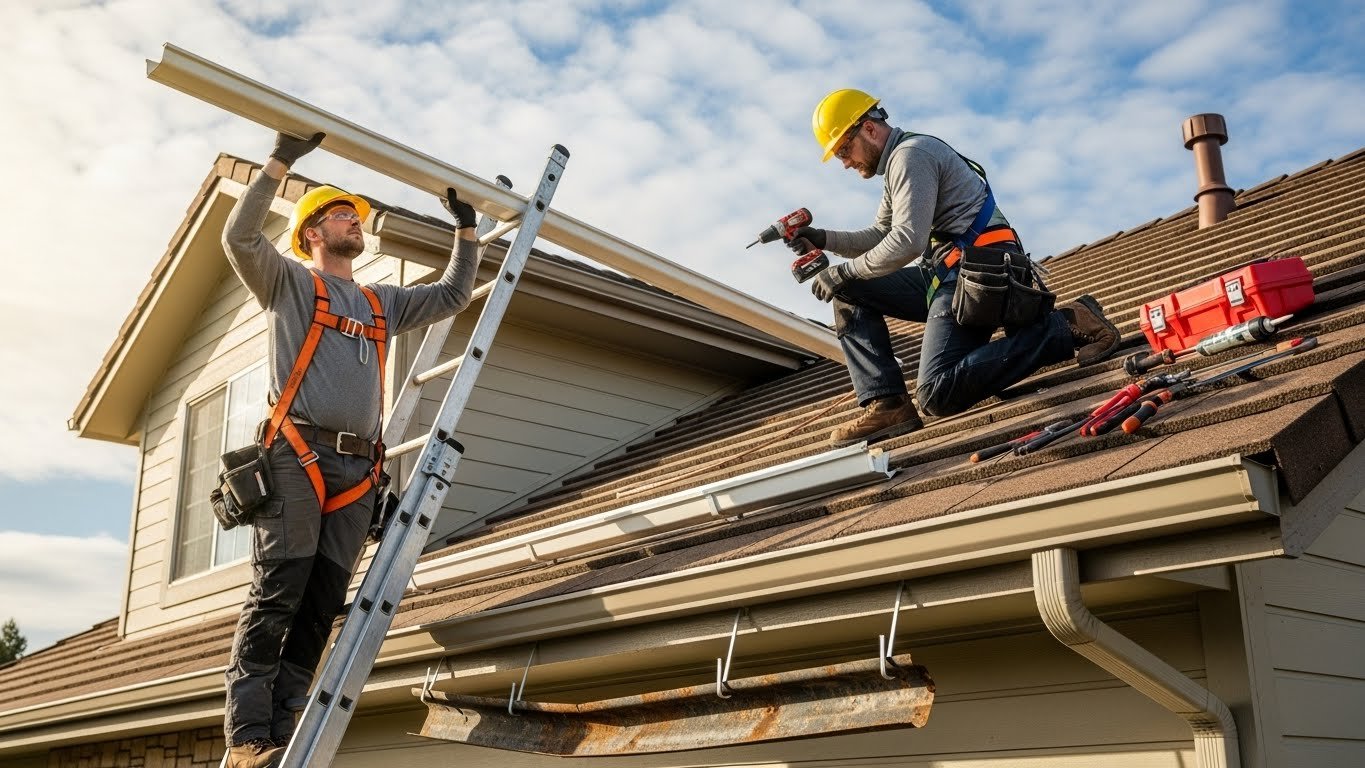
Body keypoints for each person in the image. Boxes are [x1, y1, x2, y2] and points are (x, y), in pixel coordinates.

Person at [219, 131, 482, 767]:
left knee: (321, 604)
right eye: (341, 215)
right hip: (296, 455)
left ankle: (280, 732)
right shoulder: (286, 282)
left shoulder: (378, 303)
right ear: (312, 231)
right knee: (279, 589)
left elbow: (451, 295)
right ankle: (247, 733)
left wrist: (467, 233)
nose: (354, 222)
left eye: (356, 218)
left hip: (359, 468)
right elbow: (238, 239)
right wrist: (280, 163)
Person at [793, 89, 1120, 447]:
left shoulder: (910, 156)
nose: (844, 162)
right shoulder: (898, 165)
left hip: (982, 276)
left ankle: (1066, 325)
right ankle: (888, 404)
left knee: (936, 394)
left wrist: (845, 270)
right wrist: (823, 238)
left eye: (843, 150)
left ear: (868, 129)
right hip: (950, 275)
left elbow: (906, 241)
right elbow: (879, 234)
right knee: (847, 290)